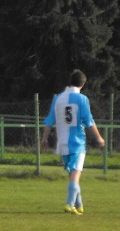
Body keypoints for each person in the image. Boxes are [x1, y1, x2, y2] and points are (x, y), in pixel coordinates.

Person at [40, 69, 105, 215]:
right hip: (77, 144)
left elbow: (50, 120)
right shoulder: (82, 99)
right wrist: (99, 137)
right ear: (83, 84)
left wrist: (44, 139)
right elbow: (89, 121)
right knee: (75, 177)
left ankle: (79, 205)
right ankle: (69, 204)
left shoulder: (58, 98)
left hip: (62, 144)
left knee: (73, 177)